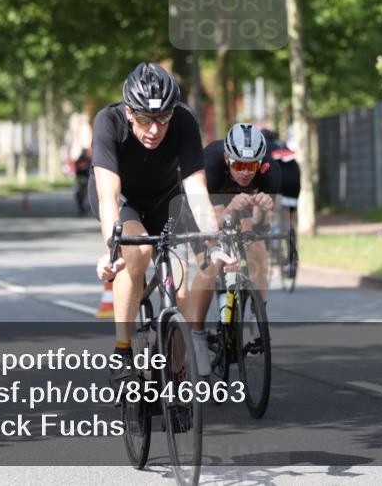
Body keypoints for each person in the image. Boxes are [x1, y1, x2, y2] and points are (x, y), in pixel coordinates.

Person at [89, 62, 234, 378]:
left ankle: (177, 372)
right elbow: (109, 196)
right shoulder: (108, 122)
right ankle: (123, 350)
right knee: (136, 252)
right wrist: (113, 251)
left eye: (163, 119)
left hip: (163, 199)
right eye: (145, 119)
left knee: (181, 288)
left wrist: (213, 240)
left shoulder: (183, 122)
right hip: (122, 198)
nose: (154, 130)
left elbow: (196, 189)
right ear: (129, 112)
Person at [192, 124, 280, 331]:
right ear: (227, 159)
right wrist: (230, 208)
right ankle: (197, 333)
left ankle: (258, 308)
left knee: (257, 246)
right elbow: (210, 222)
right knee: (210, 264)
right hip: (207, 206)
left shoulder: (270, 169)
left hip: (242, 203)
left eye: (252, 166)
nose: (246, 173)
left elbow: (261, 225)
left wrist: (262, 207)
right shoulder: (210, 165)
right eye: (239, 166)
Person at [260, 126, 300, 230]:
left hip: (276, 186)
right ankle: (292, 240)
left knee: (271, 215)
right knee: (289, 218)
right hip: (293, 188)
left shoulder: (264, 148)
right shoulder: (284, 146)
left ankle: (273, 236)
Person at [73, 148, 91, 214]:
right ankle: (81, 207)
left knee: (87, 194)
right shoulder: (79, 160)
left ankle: (86, 207)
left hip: (87, 179)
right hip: (81, 179)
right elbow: (77, 171)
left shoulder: (89, 161)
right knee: (78, 194)